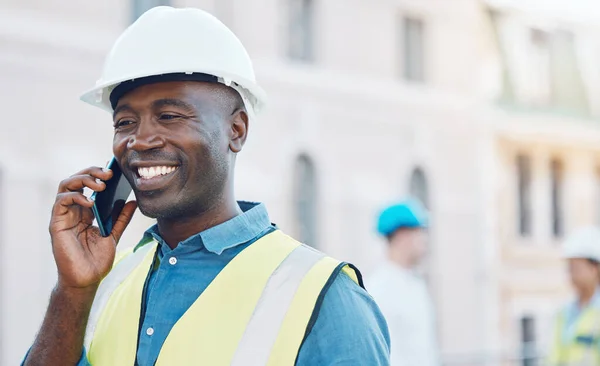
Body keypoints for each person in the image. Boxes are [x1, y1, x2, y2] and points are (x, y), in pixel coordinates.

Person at [22, 6, 390, 366]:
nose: (140, 139)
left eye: (168, 116)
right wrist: (72, 292)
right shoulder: (106, 283)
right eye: (125, 122)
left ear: (237, 130)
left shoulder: (325, 298)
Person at [366, 199, 439, 366]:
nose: (425, 240)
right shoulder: (380, 289)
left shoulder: (415, 283)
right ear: (402, 235)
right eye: (419, 232)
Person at [548, 226, 600, 366]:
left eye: (576, 267)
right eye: (569, 267)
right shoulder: (563, 312)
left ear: (595, 268)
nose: (571, 274)